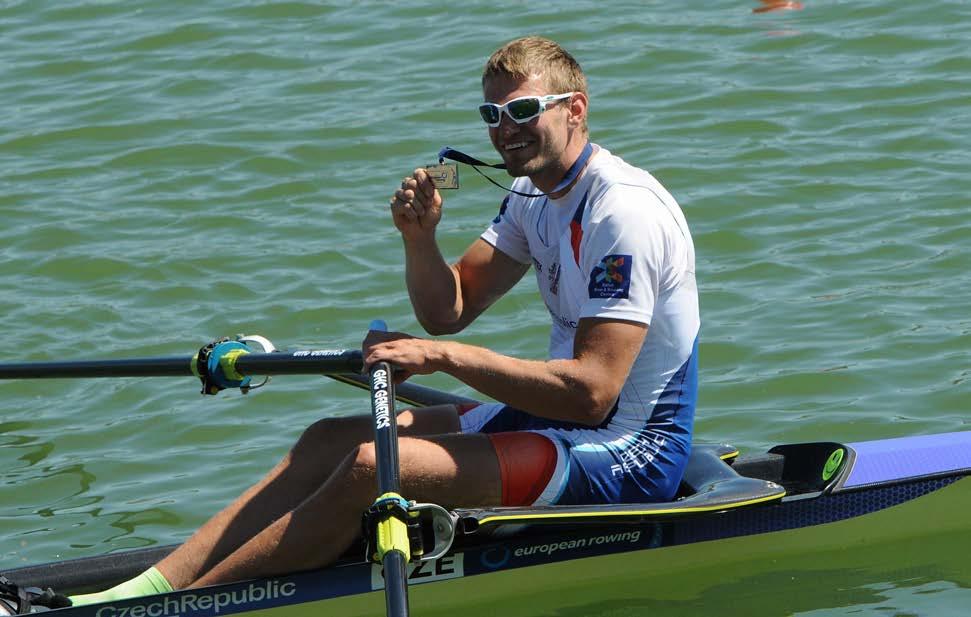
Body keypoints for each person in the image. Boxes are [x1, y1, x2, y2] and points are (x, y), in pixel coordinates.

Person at [67, 35, 699, 604]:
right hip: (555, 420)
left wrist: (440, 358)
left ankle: (182, 606)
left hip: (631, 450)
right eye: (492, 115)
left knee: (375, 466)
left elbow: (592, 395)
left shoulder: (623, 213)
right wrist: (418, 239)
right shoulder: (533, 195)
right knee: (328, 440)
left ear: (575, 110)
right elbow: (446, 310)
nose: (505, 129)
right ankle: (142, 589)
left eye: (524, 111)